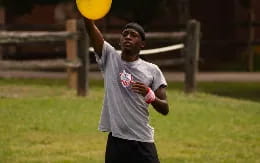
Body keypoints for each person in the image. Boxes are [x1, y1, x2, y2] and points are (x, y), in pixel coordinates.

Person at [84, 18, 169, 163]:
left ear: (142, 44)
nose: (128, 37)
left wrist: (150, 96)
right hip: (117, 141)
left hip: (142, 140)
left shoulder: (152, 70)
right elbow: (91, 30)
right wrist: (87, 14)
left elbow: (165, 108)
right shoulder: (110, 58)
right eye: (125, 34)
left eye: (134, 35)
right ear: (120, 40)